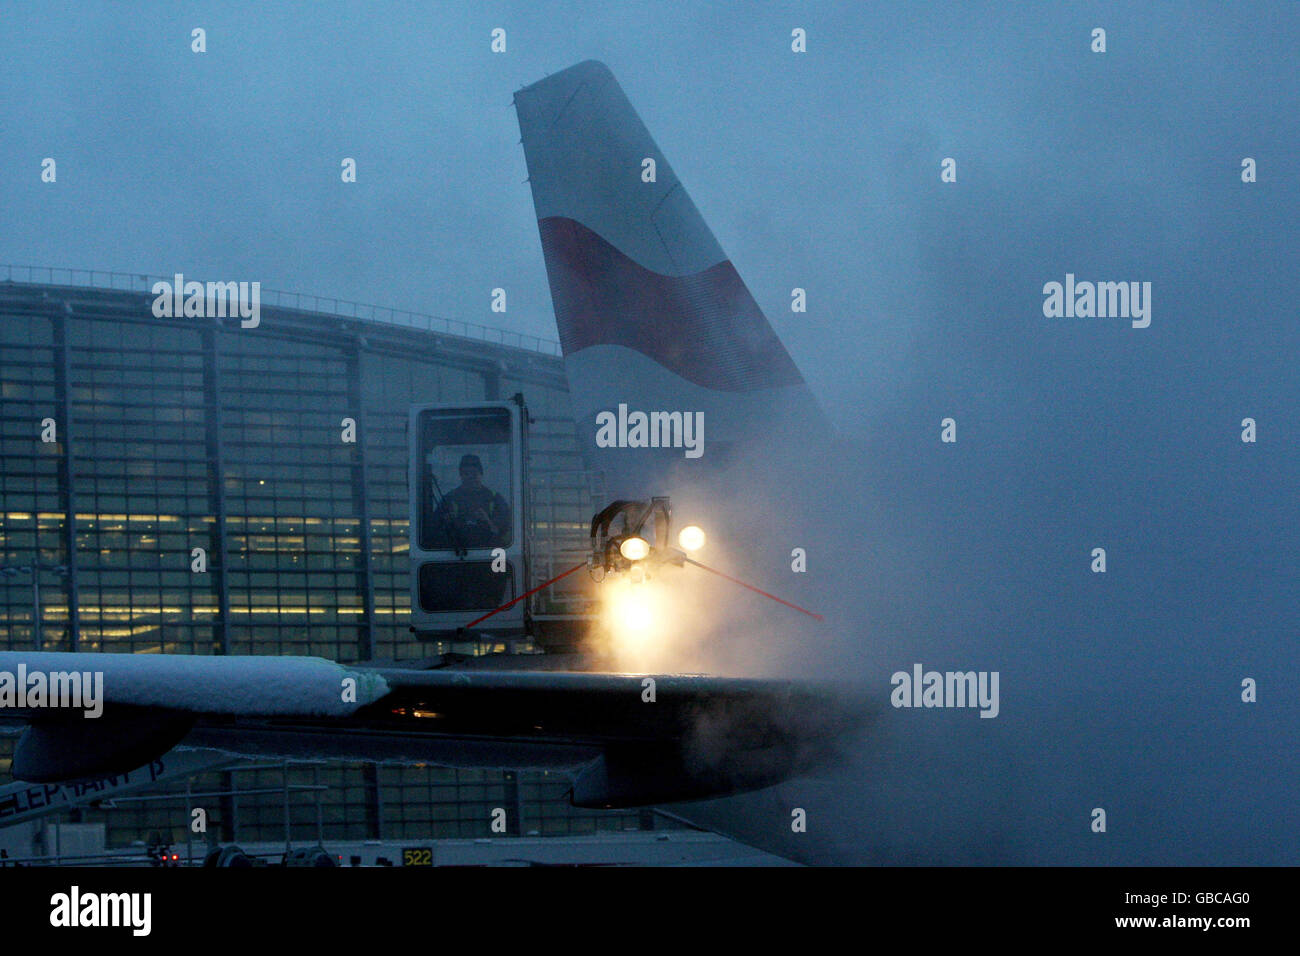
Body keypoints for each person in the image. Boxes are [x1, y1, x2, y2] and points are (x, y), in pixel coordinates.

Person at [432, 454, 510, 549]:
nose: (470, 477)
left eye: (474, 473)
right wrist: (447, 521)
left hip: (490, 556)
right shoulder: (448, 499)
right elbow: (434, 531)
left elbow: (507, 534)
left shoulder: (495, 499)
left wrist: (488, 521)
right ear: (460, 475)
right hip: (455, 555)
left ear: (481, 474)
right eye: (466, 473)